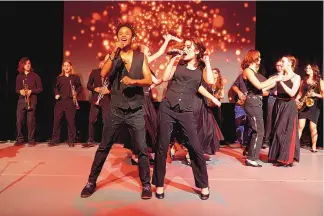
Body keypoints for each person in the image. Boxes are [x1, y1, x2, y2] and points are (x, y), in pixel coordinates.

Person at [80, 23, 153, 199]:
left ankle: (146, 185)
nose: (124, 35)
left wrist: (134, 81)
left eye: (127, 33)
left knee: (142, 148)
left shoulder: (140, 56)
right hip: (116, 109)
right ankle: (91, 182)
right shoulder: (113, 56)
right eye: (121, 33)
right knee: (104, 146)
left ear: (132, 37)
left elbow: (148, 80)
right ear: (117, 37)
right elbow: (104, 73)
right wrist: (114, 54)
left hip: (135, 109)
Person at [152, 38, 215, 200]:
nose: (185, 49)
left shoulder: (200, 69)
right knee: (162, 145)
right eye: (184, 47)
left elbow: (210, 81)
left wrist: (207, 62)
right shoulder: (178, 65)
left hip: (186, 110)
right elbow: (165, 78)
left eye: (189, 47)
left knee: (195, 146)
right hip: (167, 107)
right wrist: (173, 58)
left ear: (197, 52)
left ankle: (203, 185)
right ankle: (159, 184)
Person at [242, 50, 282, 167]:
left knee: (259, 130)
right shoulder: (248, 71)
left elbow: (263, 89)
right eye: (258, 57)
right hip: (252, 102)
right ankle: (251, 158)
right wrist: (273, 79)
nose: (260, 59)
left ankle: (253, 156)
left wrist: (274, 81)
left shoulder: (253, 72)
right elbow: (259, 86)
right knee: (258, 131)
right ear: (253, 58)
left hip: (257, 102)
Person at [268, 55, 301, 166]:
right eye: (281, 61)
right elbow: (268, 85)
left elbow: (292, 93)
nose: (281, 63)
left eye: (283, 61)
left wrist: (280, 81)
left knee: (286, 131)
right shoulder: (280, 75)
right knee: (277, 130)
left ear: (290, 63)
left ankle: (286, 158)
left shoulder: (296, 77)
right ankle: (276, 156)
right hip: (279, 104)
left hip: (288, 105)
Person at [48, 60, 82, 147]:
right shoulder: (59, 78)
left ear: (71, 67)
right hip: (60, 102)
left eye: (68, 66)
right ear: (63, 67)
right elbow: (55, 88)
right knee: (57, 121)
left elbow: (79, 87)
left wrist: (76, 92)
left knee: (71, 122)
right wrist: (56, 94)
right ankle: (55, 139)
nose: (66, 67)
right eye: (65, 66)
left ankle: (71, 140)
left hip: (70, 102)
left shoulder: (75, 77)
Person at [15, 57, 43, 146]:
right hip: (22, 100)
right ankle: (20, 139)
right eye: (26, 63)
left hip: (32, 100)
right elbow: (16, 89)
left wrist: (31, 91)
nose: (28, 65)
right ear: (22, 65)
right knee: (19, 120)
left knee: (30, 121)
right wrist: (20, 91)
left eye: (29, 63)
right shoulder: (19, 76)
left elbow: (40, 89)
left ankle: (31, 140)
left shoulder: (35, 76)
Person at [296, 64, 323, 153]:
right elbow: (300, 93)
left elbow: (323, 95)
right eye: (306, 68)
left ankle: (314, 146)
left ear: (314, 70)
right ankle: (296, 146)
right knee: (300, 126)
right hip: (303, 105)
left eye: (309, 68)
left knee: (313, 127)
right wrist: (297, 100)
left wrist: (315, 94)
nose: (307, 69)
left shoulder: (319, 81)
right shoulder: (303, 80)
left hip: (314, 107)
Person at [84, 56, 111, 148]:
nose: (102, 64)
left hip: (107, 100)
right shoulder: (94, 72)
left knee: (106, 121)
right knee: (91, 120)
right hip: (95, 99)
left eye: (104, 62)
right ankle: (90, 140)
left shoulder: (111, 73)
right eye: (101, 62)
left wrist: (109, 91)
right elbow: (88, 85)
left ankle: (105, 142)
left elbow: (116, 87)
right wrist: (95, 88)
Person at [262, 60, 284, 148]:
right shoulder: (272, 76)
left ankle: (277, 140)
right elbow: (267, 88)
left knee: (280, 119)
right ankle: (267, 140)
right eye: (277, 65)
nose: (279, 67)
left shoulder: (287, 76)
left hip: (283, 99)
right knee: (269, 118)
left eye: (280, 65)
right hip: (272, 98)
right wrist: (272, 92)